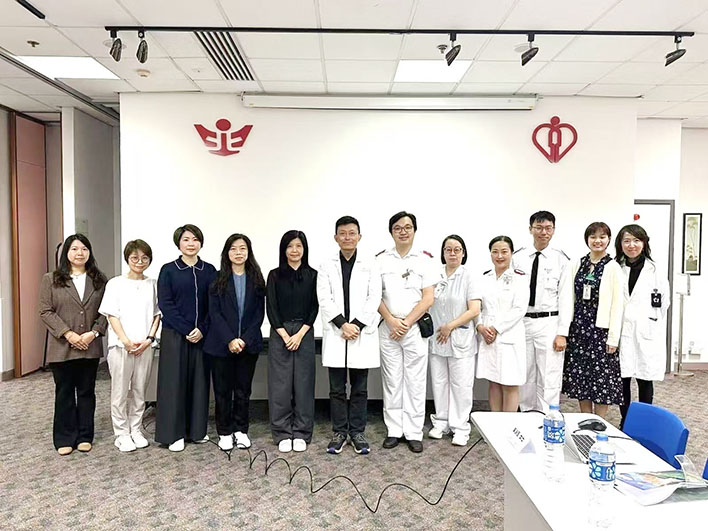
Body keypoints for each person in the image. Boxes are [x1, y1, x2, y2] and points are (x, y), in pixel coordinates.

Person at [317, 216, 382, 455]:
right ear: (336, 238)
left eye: (352, 233)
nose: (347, 237)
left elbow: (374, 297)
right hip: (337, 332)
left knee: (359, 388)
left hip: (360, 333)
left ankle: (357, 432)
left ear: (359, 237)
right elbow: (324, 298)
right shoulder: (326, 265)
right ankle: (339, 432)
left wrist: (356, 325)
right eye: (342, 233)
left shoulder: (370, 263)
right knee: (336, 389)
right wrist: (342, 324)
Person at [39, 234, 108, 455]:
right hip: (61, 346)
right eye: (75, 249)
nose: (80, 253)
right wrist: (68, 334)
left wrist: (93, 333)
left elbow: (106, 311)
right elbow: (45, 311)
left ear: (90, 252)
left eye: (84, 249)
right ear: (66, 253)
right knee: (65, 392)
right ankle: (64, 438)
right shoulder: (51, 279)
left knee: (87, 391)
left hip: (90, 345)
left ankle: (85, 436)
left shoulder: (99, 280)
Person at [377, 211, 439, 453]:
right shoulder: (380, 260)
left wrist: (406, 322)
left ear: (414, 230)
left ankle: (413, 432)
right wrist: (392, 320)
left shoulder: (425, 260)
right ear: (391, 232)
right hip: (388, 327)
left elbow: (428, 298)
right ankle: (394, 430)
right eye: (398, 228)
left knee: (415, 381)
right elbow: (375, 295)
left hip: (413, 328)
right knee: (392, 380)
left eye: (407, 227)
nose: (403, 231)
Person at [155, 224, 216, 452]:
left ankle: (197, 431)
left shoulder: (209, 270)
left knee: (199, 383)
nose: (191, 243)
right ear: (178, 243)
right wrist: (187, 329)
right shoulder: (169, 270)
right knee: (174, 384)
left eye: (195, 239)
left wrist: (202, 329)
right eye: (186, 239)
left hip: (202, 336)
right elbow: (166, 304)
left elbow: (214, 304)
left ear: (201, 243)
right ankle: (174, 434)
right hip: (175, 335)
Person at [204, 234, 266, 451]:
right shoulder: (217, 279)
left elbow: (259, 314)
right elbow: (214, 313)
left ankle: (241, 430)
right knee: (222, 391)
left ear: (248, 252)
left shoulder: (256, 278)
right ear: (227, 253)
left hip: (249, 345)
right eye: (233, 249)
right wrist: (230, 339)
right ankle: (224, 432)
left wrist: (244, 340)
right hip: (221, 345)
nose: (238, 253)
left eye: (242, 248)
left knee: (243, 391)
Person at [99, 239, 161, 453]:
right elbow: (111, 315)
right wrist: (125, 341)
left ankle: (135, 429)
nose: (140, 261)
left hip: (145, 346)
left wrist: (149, 339)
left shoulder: (153, 284)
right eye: (135, 257)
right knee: (119, 391)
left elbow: (157, 314)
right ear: (127, 259)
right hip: (120, 346)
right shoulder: (115, 284)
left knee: (140, 390)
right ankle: (121, 433)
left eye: (144, 258)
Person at [560, 222, 624, 419]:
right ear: (587, 240)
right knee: (581, 377)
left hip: (601, 331)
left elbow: (617, 305)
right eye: (593, 237)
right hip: (579, 329)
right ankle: (585, 418)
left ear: (608, 240)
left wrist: (613, 338)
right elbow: (568, 297)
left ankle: (599, 420)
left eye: (602, 237)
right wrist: (565, 329)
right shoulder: (577, 264)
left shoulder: (613, 267)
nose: (598, 241)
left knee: (602, 379)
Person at [266, 230, 319, 453]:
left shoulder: (313, 275)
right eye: (290, 246)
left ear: (304, 249)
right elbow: (271, 308)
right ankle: (282, 433)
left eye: (298, 246)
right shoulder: (274, 275)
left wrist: (299, 334)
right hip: (280, 333)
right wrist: (286, 335)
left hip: (304, 332)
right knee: (280, 385)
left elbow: (314, 307)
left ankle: (302, 432)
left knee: (304, 384)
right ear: (283, 249)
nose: (294, 250)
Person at [614, 224, 670, 430]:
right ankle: (626, 420)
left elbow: (664, 302)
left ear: (644, 243)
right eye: (627, 241)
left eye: (636, 241)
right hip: (622, 331)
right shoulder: (615, 268)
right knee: (622, 379)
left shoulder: (655, 270)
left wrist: (648, 321)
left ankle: (644, 423)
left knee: (645, 380)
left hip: (646, 330)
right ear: (620, 244)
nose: (632, 245)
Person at [513, 211, 570, 413]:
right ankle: (527, 412)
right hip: (522, 322)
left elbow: (566, 298)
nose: (543, 232)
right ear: (531, 229)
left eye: (548, 228)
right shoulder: (517, 257)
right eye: (539, 228)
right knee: (524, 372)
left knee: (549, 373)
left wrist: (562, 333)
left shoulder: (561, 259)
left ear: (553, 230)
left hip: (549, 322)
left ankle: (547, 414)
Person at [428, 235, 481, 446]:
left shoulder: (469, 276)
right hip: (437, 337)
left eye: (457, 249)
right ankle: (441, 422)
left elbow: (474, 309)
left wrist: (450, 326)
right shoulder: (435, 275)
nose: (452, 253)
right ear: (443, 253)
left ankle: (460, 427)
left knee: (461, 384)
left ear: (463, 253)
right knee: (439, 382)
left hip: (460, 337)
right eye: (448, 249)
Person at [476, 236, 529, 412]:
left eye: (504, 252)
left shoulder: (519, 278)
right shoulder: (485, 278)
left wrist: (496, 329)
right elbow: (477, 306)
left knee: (510, 383)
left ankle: (509, 425)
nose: (499, 256)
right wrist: (480, 326)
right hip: (488, 336)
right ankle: (495, 424)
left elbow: (519, 309)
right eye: (495, 252)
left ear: (511, 253)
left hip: (509, 336)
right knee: (494, 382)